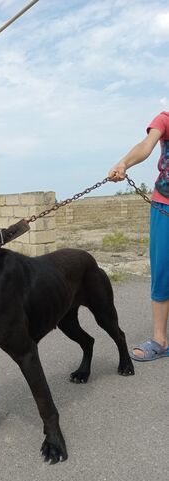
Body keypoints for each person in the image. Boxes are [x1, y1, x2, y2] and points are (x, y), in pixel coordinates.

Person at [108, 111, 169, 361]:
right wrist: (124, 163)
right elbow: (146, 145)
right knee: (162, 271)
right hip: (164, 206)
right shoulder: (165, 118)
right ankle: (160, 340)